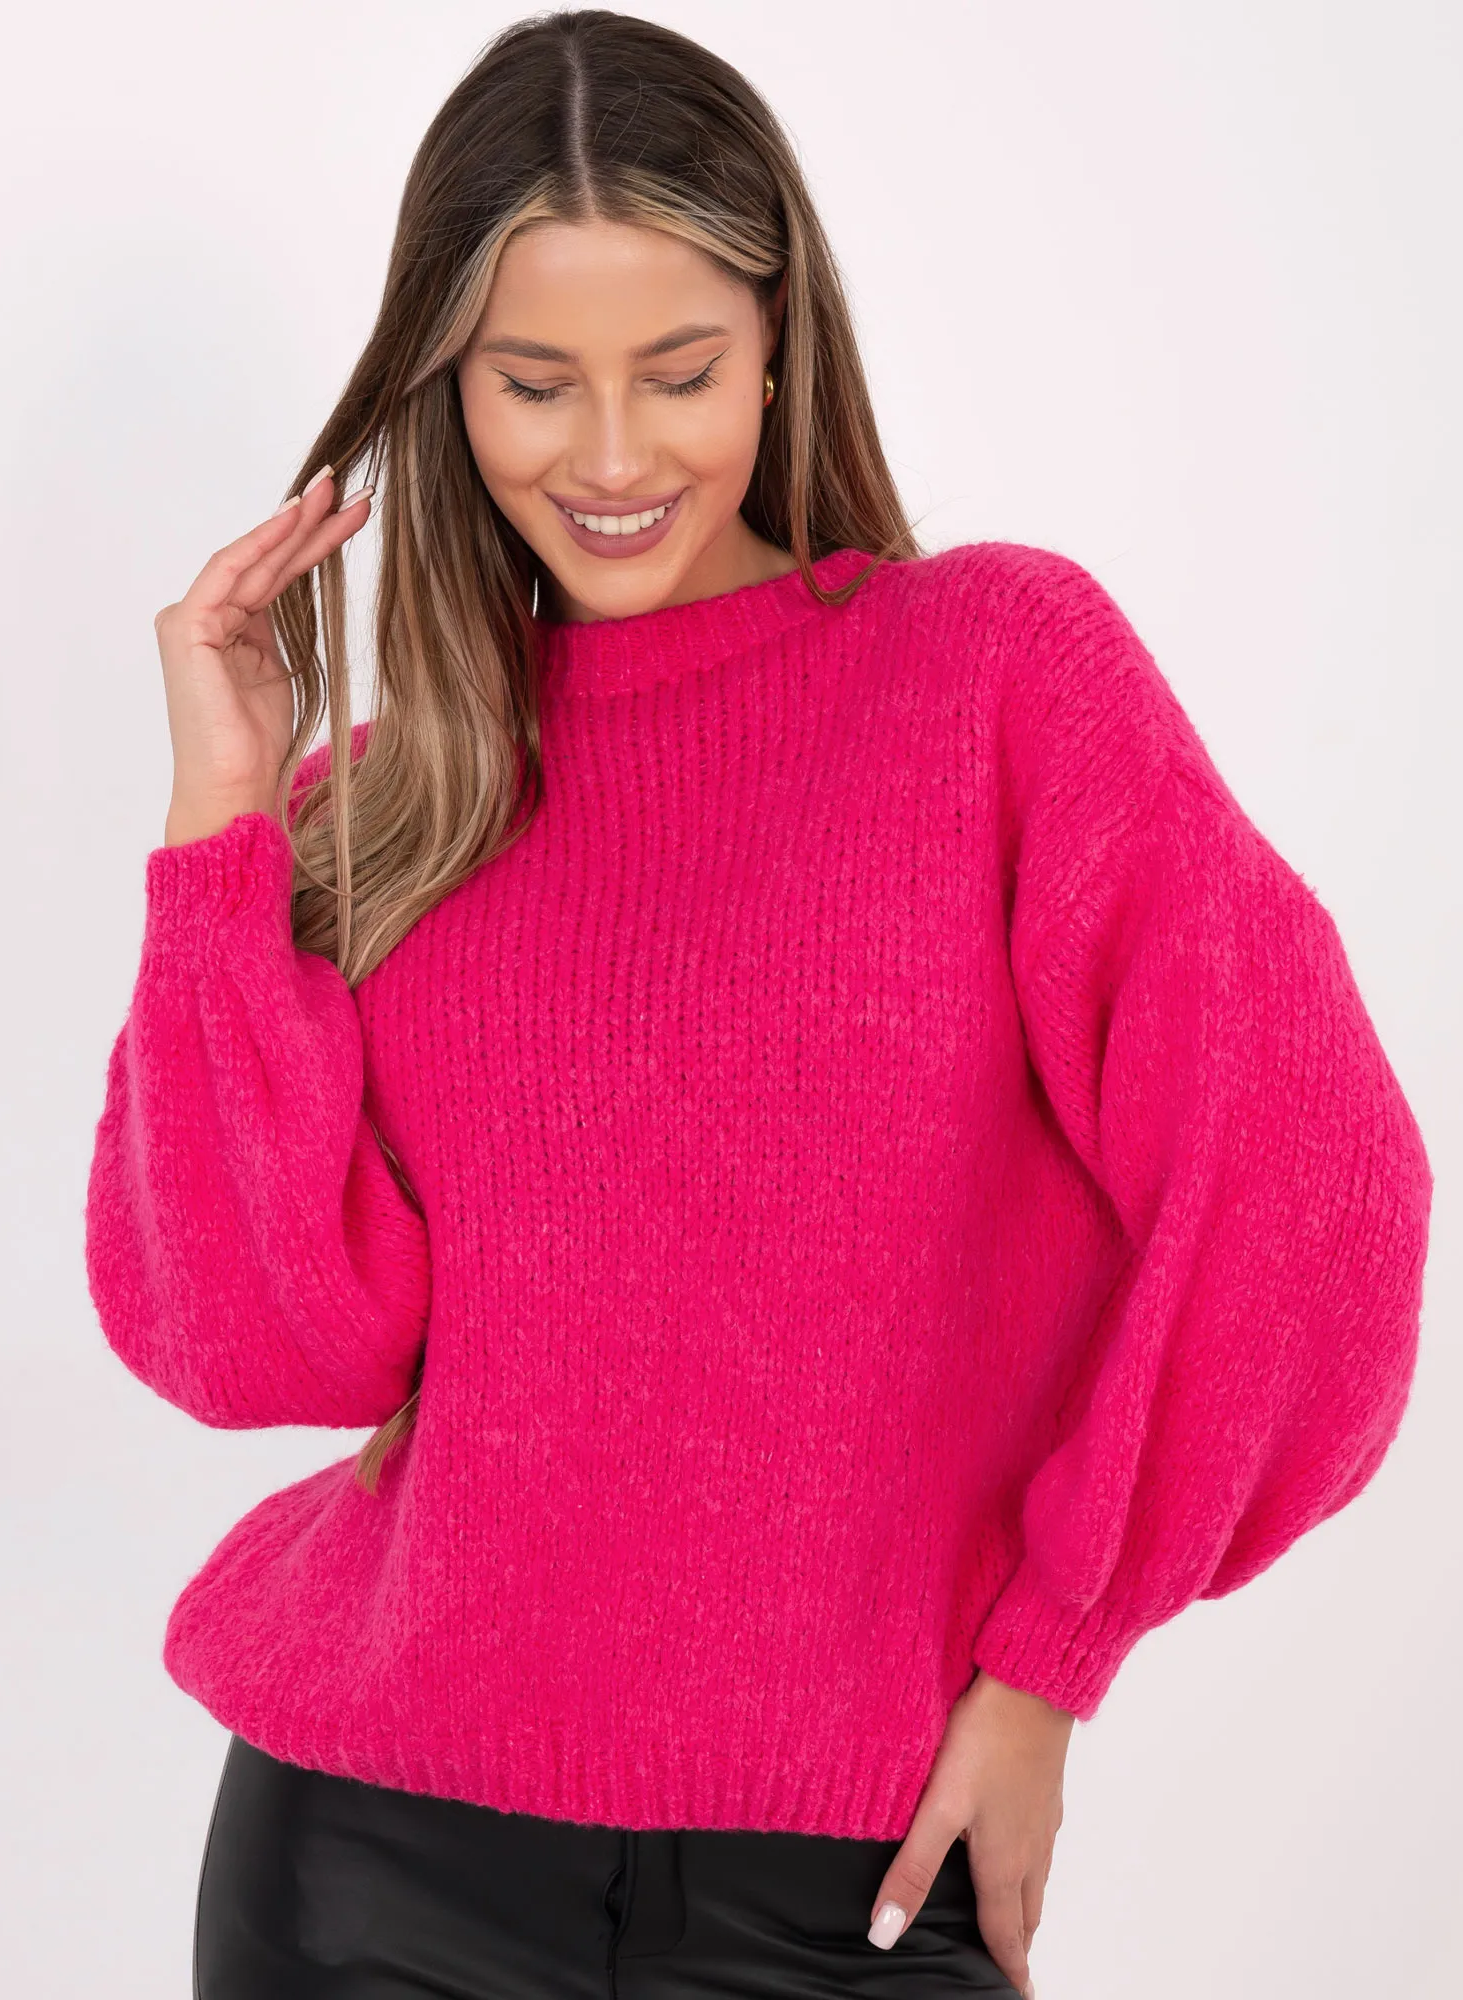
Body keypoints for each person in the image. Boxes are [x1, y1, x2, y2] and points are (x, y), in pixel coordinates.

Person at [81, 10, 1434, 1999]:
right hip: (367, 1868)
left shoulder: (995, 678)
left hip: (854, 1888)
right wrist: (221, 817)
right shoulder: (388, 803)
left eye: (682, 369)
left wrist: (1055, 1657)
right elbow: (253, 1343)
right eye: (534, 382)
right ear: (445, 385)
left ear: (782, 340)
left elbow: (1311, 1191)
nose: (614, 457)